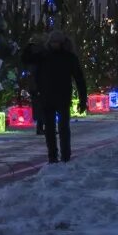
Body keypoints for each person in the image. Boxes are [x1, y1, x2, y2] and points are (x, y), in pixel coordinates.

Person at [23, 30, 87, 162]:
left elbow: (79, 79)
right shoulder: (45, 56)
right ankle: (53, 156)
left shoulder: (67, 57)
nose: (55, 44)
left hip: (60, 97)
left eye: (57, 42)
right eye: (53, 42)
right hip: (49, 97)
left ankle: (64, 156)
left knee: (62, 128)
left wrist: (83, 99)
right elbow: (26, 59)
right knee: (52, 130)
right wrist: (30, 46)